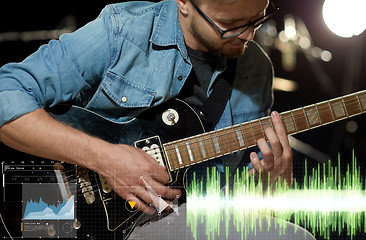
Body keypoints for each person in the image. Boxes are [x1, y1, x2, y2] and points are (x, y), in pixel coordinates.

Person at [0, 0, 312, 239]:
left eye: (257, 18)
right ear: (184, 3)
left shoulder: (256, 69)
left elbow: (242, 212)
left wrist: (271, 187)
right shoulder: (123, 30)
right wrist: (105, 159)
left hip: (178, 217)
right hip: (60, 208)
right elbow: (6, 95)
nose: (247, 35)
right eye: (229, 24)